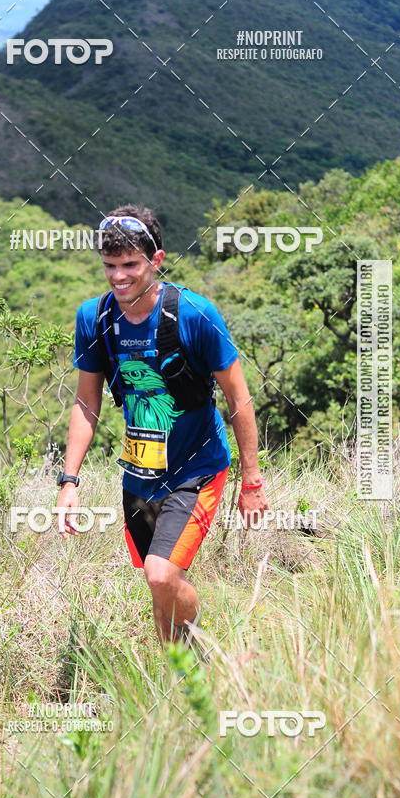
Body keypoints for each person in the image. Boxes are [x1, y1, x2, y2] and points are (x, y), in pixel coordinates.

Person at [57, 204, 269, 647]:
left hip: (197, 469)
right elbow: (86, 403)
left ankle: (208, 653)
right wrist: (69, 480)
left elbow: (239, 398)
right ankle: (180, 681)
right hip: (139, 475)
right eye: (110, 266)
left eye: (130, 264)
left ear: (156, 260)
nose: (119, 277)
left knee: (161, 573)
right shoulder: (94, 318)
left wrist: (252, 480)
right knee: (159, 582)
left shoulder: (193, 314)